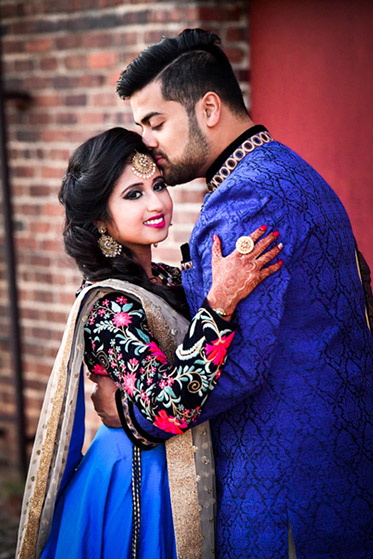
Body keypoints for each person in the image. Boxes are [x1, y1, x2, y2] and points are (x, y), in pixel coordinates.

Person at [115, 28, 373, 558]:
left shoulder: (243, 201)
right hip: (340, 465)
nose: (147, 142)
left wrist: (134, 411)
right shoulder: (292, 169)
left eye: (155, 122)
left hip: (280, 493)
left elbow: (235, 369)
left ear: (208, 108)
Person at [16, 127, 283, 559]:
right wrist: (218, 304)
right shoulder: (110, 305)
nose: (157, 202)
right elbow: (168, 405)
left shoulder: (170, 279)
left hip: (180, 472)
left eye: (158, 185)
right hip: (139, 482)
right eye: (133, 194)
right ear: (101, 219)